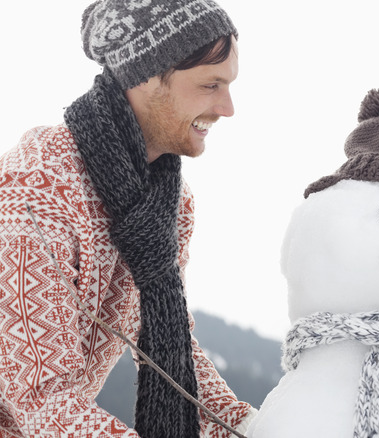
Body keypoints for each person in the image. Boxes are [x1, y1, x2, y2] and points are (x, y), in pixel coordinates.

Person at [0, 1, 257, 437]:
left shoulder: (168, 202)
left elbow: (164, 339)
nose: (227, 107)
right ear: (144, 76)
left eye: (228, 84)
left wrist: (247, 426)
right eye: (210, 84)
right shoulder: (39, 185)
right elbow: (42, 397)